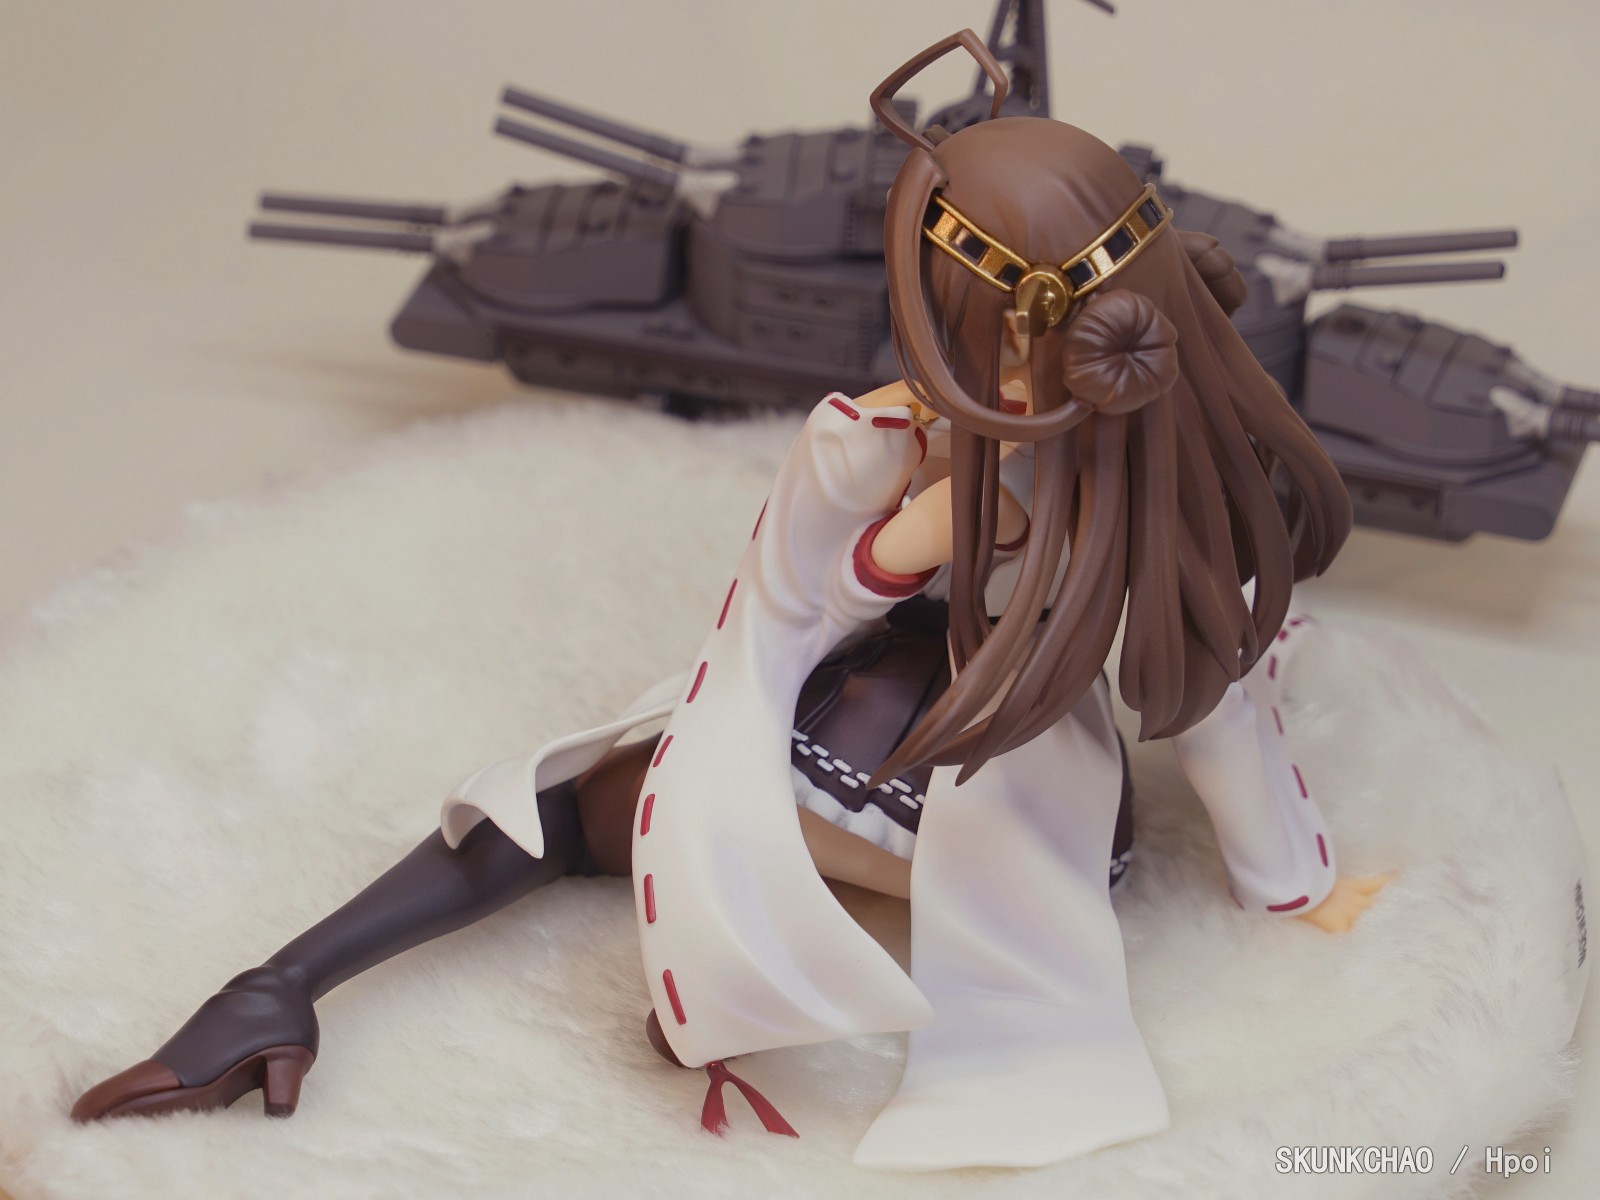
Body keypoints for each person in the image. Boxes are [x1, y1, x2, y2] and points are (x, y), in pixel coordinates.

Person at [73, 29, 1381, 1171]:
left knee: (603, 809)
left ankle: (310, 986)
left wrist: (1292, 885)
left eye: (958, 327)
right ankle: (284, 989)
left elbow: (1205, 701)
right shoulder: (953, 438)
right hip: (885, 719)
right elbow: (810, 606)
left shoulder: (1111, 493)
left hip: (982, 795)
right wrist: (907, 511)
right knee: (582, 787)